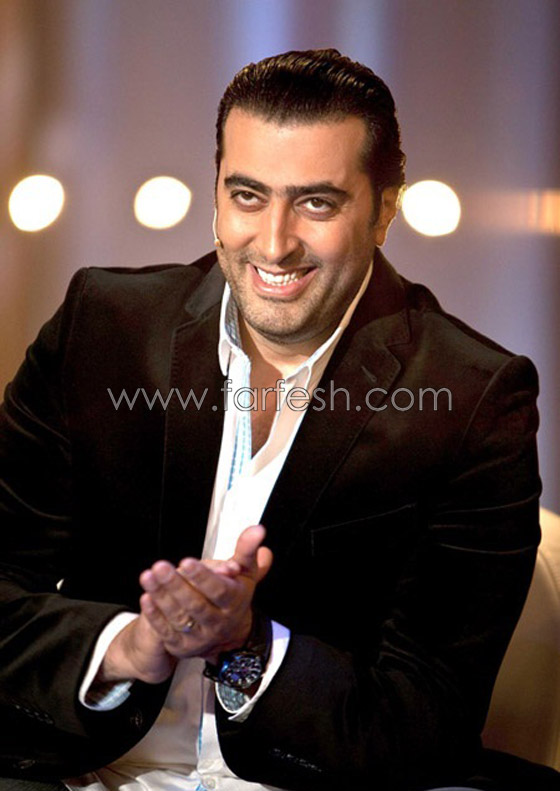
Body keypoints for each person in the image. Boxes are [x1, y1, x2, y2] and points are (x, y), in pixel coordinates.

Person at [0, 49, 556, 791]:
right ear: (216, 192)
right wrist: (128, 647)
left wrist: (249, 647)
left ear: (385, 211)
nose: (273, 243)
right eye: (248, 195)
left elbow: (429, 712)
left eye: (316, 203)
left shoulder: (472, 396)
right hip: (84, 768)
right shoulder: (102, 328)